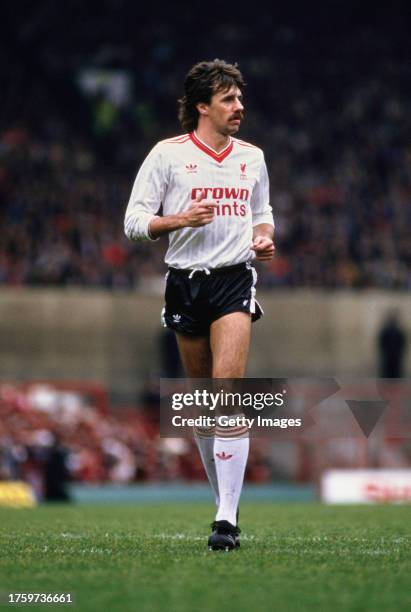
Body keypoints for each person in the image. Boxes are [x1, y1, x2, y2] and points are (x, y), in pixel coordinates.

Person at [124, 59, 275, 550]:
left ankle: (225, 521)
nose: (239, 107)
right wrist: (179, 220)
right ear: (202, 105)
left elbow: (263, 213)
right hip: (185, 283)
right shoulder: (166, 156)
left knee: (227, 393)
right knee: (202, 404)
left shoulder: (252, 157)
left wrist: (264, 236)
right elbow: (134, 222)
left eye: (240, 98)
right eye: (229, 99)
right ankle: (223, 502)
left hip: (233, 280)